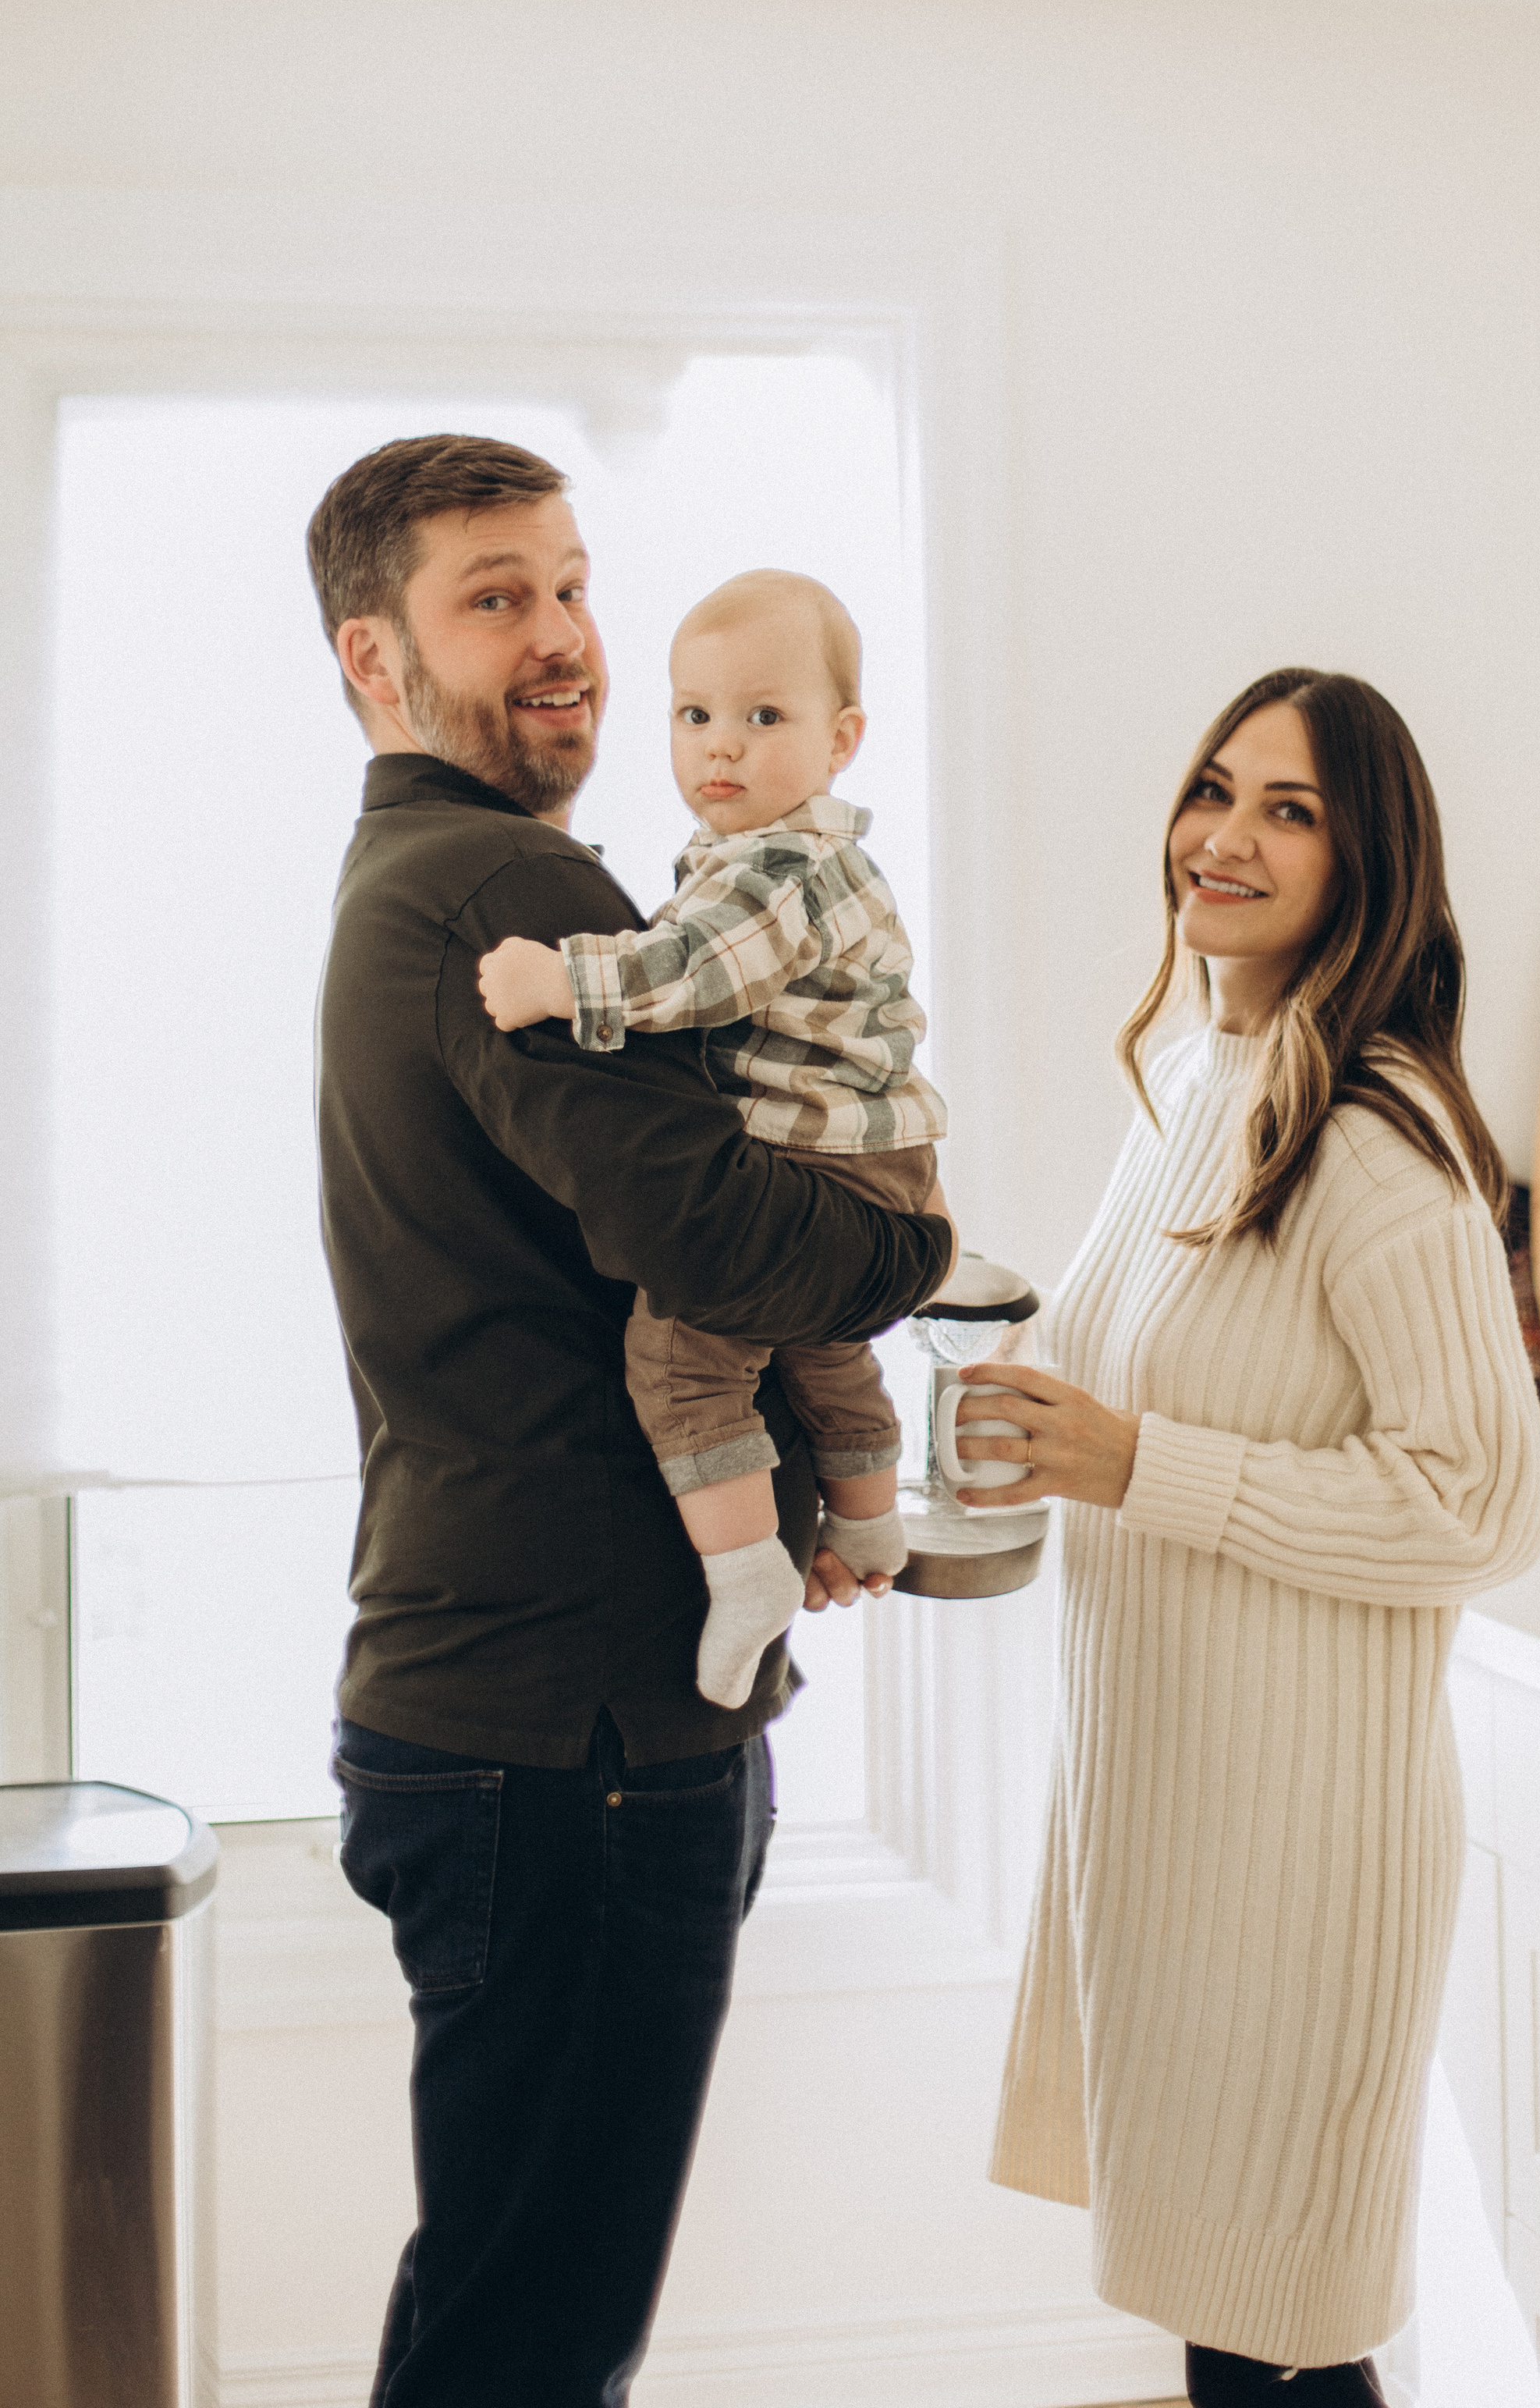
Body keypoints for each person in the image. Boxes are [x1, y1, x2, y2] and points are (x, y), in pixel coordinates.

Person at [307, 435, 952, 2408]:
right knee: (532, 2340)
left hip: (494, 1706)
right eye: (494, 598)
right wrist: (914, 1248)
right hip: (574, 1733)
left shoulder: (407, 880)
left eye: (571, 584)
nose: (565, 639)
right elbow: (715, 1232)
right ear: (376, 660)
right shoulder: (510, 885)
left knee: (508, 2302)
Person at [954, 667, 1540, 2406]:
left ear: (1367, 864)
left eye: (1286, 809)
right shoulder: (1196, 1089)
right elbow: (1106, 1376)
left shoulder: (1371, 1137)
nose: (1219, 836)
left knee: (1278, 2352)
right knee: (1236, 2343)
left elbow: (1476, 1505)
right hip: (1170, 1822)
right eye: (1213, 788)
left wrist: (1142, 1465)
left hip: (1296, 1855)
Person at [477, 565, 946, 1709]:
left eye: (762, 718)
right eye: (694, 717)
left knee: (682, 1359)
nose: (719, 748)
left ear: (842, 740)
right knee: (821, 1347)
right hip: (867, 1168)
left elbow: (691, 974)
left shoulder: (786, 866)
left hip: (824, 1164)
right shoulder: (771, 857)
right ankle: (874, 1528)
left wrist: (561, 978)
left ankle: (745, 1578)